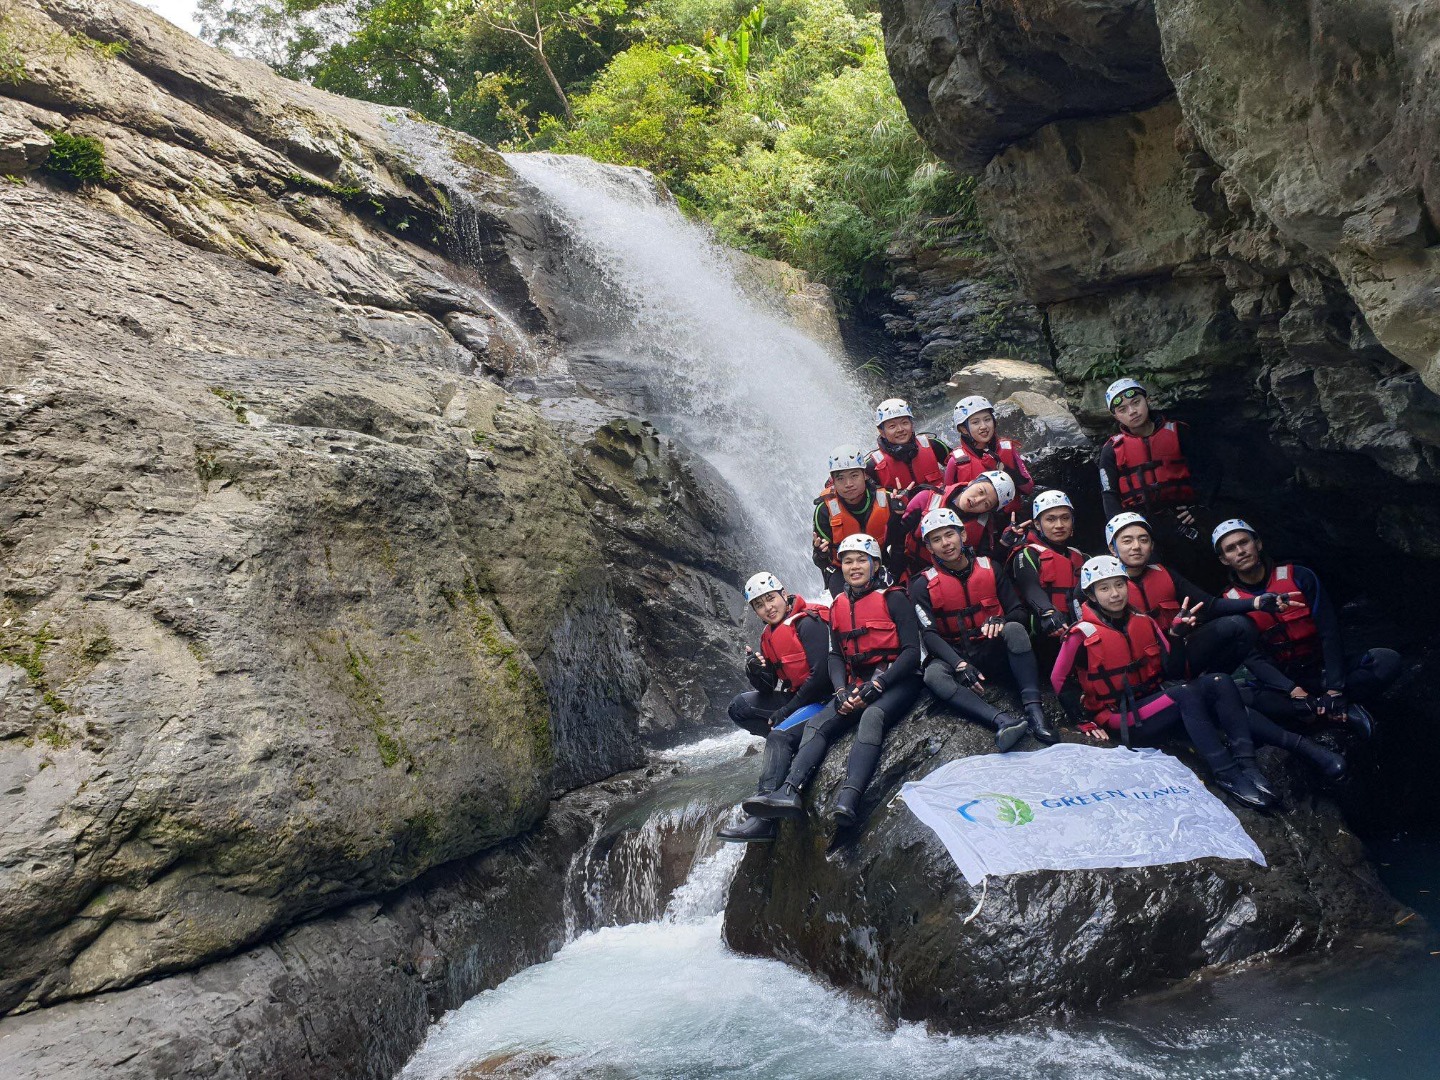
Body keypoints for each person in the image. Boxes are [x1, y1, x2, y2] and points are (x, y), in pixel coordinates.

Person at [1054, 557, 1345, 810]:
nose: (1114, 594)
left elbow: (1174, 669)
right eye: (1104, 588)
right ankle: (1226, 771)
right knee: (1185, 694)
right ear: (1091, 596)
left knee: (1219, 681)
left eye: (1119, 585)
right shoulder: (1082, 634)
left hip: (1155, 699)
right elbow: (1058, 679)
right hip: (1120, 715)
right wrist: (1084, 721)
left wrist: (1177, 636)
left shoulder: (1144, 620)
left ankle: (1248, 764)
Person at [744, 533, 924, 827]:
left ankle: (849, 798)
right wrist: (841, 690)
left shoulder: (894, 598)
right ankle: (789, 791)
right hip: (856, 684)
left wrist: (878, 685)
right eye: (847, 561)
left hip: (897, 679)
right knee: (818, 724)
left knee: (872, 717)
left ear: (875, 564)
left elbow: (911, 653)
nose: (854, 567)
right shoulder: (839, 603)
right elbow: (836, 656)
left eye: (861, 560)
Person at [1212, 519, 1401, 735]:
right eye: (1231, 549)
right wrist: (1292, 690)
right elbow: (1253, 659)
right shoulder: (1230, 602)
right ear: (1224, 560)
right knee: (1232, 693)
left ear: (1258, 544)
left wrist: (1335, 688)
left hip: (1322, 670)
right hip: (1285, 683)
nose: (1240, 551)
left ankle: (1320, 708)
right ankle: (1324, 710)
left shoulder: (1300, 576)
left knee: (1387, 659)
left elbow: (1329, 630)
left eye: (1244, 542)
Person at [909, 508, 1055, 747]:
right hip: (957, 655)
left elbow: (1018, 611)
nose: (945, 543)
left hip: (991, 649)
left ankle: (1035, 713)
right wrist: (959, 664)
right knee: (933, 674)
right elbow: (929, 634)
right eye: (936, 540)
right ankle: (1001, 721)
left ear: (963, 536)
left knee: (1015, 630)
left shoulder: (991, 567)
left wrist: (1002, 621)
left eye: (950, 535)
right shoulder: (920, 584)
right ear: (929, 548)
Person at [718, 572, 835, 844]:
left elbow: (821, 678)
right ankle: (788, 744)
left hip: (826, 700)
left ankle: (764, 820)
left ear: (784, 594)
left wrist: (786, 711)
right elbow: (769, 686)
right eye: (760, 605)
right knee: (740, 707)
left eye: (771, 599)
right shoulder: (768, 635)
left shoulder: (809, 624)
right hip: (801, 700)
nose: (768, 607)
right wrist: (755, 671)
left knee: (778, 733)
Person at [1105, 511, 1279, 676]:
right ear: (1113, 549)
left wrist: (1256, 602)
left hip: (1177, 651)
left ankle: (1213, 679)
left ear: (1151, 547)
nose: (1137, 546)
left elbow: (1210, 605)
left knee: (1241, 625)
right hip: (1140, 665)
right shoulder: (1102, 587)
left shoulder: (1165, 573)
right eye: (1127, 541)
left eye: (1143, 540)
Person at [1098, 378, 1212, 540]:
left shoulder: (1179, 432)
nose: (1132, 411)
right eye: (1122, 409)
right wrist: (1120, 530)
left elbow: (1210, 470)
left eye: (1136, 402)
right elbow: (1109, 494)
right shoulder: (1111, 449)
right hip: (1140, 525)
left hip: (1185, 517)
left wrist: (1201, 506)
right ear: (1115, 416)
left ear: (1148, 400)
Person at [812, 445, 908, 593]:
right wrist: (821, 554)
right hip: (842, 570)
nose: (848, 484)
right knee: (844, 607)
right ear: (833, 481)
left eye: (854, 475)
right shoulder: (824, 511)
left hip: (880, 562)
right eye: (841, 478)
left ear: (864, 475)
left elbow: (898, 542)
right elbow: (821, 562)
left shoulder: (887, 499)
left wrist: (898, 515)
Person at [902, 470, 1021, 568]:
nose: (977, 500)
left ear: (987, 511)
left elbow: (985, 564)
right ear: (972, 482)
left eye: (986, 504)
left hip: (949, 575)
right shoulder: (926, 497)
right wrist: (896, 514)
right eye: (980, 491)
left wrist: (1004, 543)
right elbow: (896, 534)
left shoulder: (984, 526)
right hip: (911, 563)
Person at [1012, 489, 1087, 642]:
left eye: (1065, 518)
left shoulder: (1082, 558)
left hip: (1080, 630)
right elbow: (1030, 588)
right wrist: (1048, 612)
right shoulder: (1027, 554)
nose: (1059, 525)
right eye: (1050, 519)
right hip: (1044, 632)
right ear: (1038, 525)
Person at [943, 395, 1035, 515]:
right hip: (977, 524)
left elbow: (1028, 488)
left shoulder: (1007, 448)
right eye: (975, 422)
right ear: (964, 429)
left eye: (987, 419)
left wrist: (1002, 469)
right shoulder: (956, 461)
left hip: (1009, 519)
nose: (984, 427)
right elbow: (947, 499)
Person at [865, 398, 950, 496]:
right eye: (892, 426)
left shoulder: (933, 445)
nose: (900, 429)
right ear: (882, 432)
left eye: (905, 423)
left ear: (912, 424)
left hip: (940, 506)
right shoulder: (872, 466)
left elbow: (959, 466)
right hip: (903, 510)